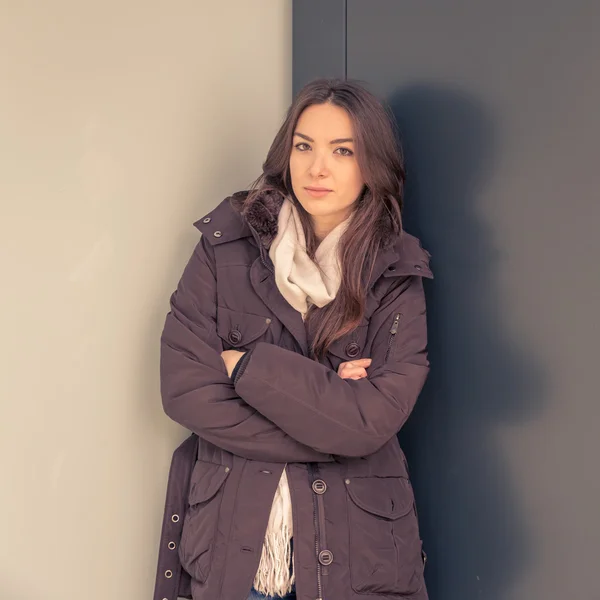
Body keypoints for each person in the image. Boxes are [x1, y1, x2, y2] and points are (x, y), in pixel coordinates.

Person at [153, 78, 433, 600]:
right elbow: (185, 389)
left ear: (372, 164)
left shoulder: (398, 270)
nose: (316, 168)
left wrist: (248, 369)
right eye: (304, 146)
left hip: (357, 554)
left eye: (342, 151)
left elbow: (373, 420)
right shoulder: (225, 247)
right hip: (235, 545)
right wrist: (330, 412)